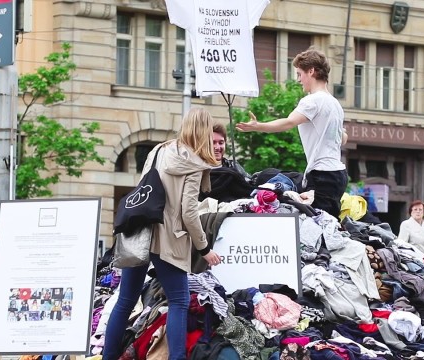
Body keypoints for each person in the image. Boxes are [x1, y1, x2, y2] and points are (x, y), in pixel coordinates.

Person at [103, 107, 223, 360]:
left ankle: (108, 356)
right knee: (178, 300)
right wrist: (204, 249)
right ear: (204, 131)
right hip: (168, 239)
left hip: (139, 231)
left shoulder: (159, 150)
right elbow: (189, 213)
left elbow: (145, 186)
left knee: (125, 300)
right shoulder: (195, 163)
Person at [236, 48, 348, 218]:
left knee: (318, 229)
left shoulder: (312, 101)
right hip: (338, 174)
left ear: (311, 71)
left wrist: (258, 126)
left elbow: (288, 122)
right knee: (329, 224)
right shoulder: (335, 104)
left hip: (322, 175)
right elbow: (343, 139)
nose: (298, 80)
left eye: (299, 74)